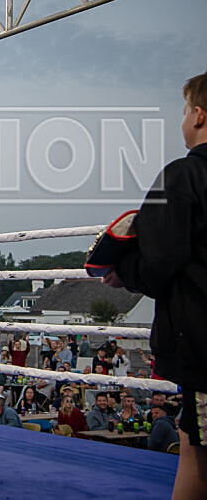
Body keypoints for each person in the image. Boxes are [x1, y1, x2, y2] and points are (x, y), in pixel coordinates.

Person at [102, 72, 207, 497]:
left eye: (184, 110)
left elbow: (160, 260)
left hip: (201, 340)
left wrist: (122, 270)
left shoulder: (184, 176)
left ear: (198, 115)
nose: (182, 119)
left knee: (196, 451)